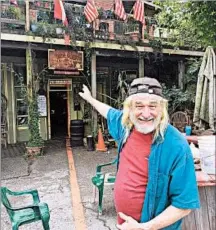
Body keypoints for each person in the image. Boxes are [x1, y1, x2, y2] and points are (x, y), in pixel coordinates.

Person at [79, 77, 200, 230]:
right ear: (129, 109)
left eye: (152, 106)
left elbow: (184, 205)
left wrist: (146, 227)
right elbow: (108, 111)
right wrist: (90, 99)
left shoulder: (177, 146)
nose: (146, 113)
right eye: (139, 106)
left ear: (161, 108)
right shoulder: (126, 127)